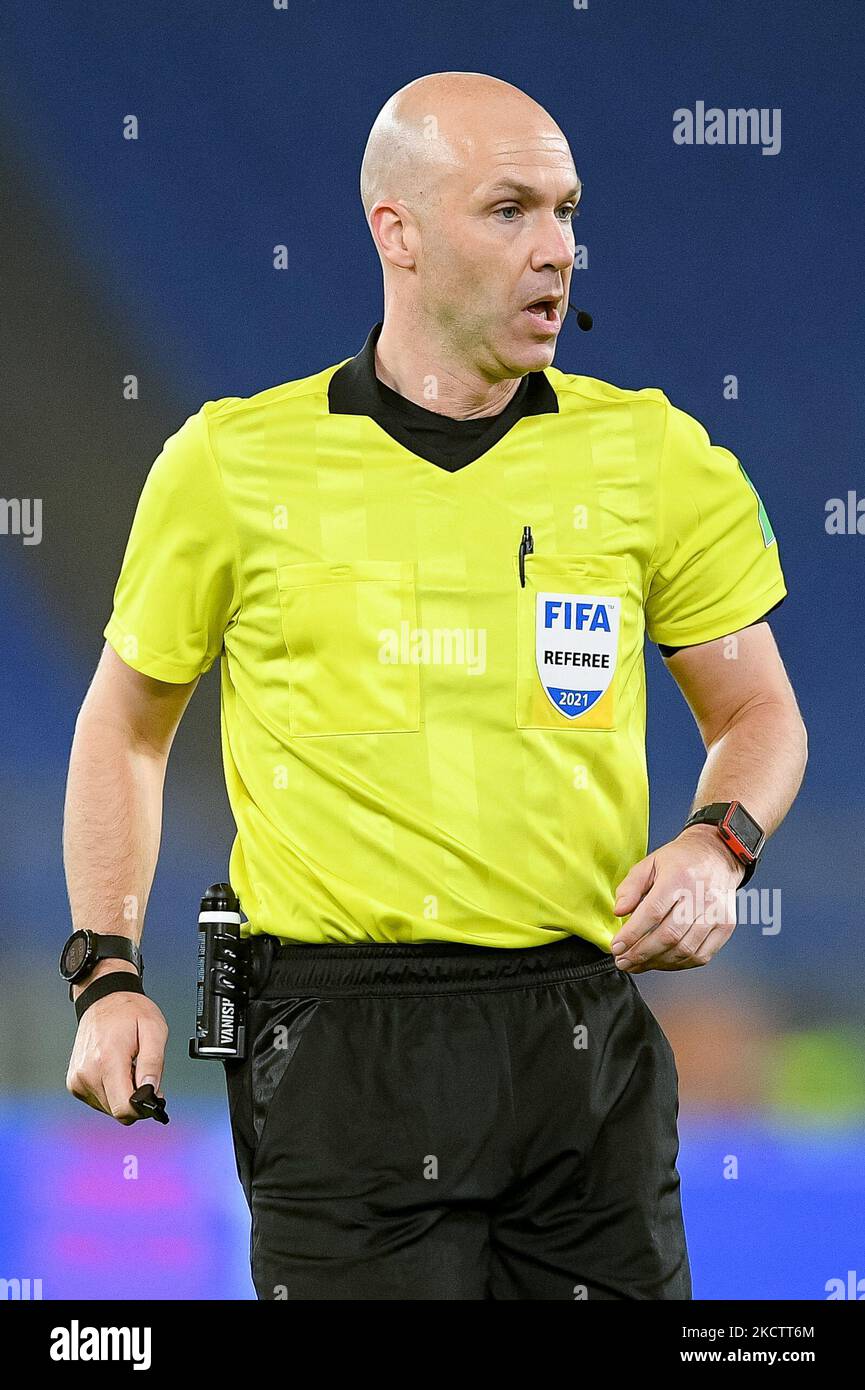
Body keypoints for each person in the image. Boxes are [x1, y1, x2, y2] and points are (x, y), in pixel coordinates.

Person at [63, 72, 808, 1300]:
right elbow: (126, 728)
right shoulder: (231, 465)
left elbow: (757, 714)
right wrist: (107, 974)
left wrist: (717, 845)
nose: (558, 250)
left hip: (581, 1035)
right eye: (510, 209)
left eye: (567, 211)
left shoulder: (652, 455)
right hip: (337, 1044)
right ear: (394, 231)